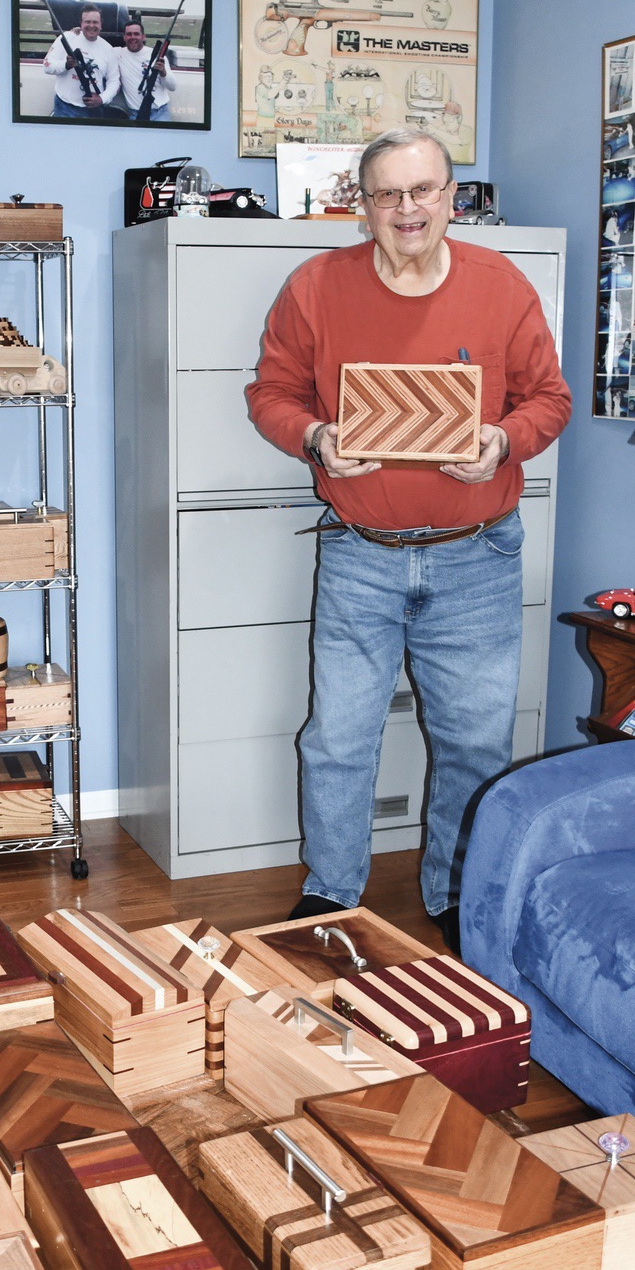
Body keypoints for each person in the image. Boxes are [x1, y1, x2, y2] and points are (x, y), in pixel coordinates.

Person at [245, 128, 571, 943]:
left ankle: (458, 896)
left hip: (479, 557)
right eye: (387, 193)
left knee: (474, 743)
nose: (407, 209)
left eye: (423, 190)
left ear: (451, 198)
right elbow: (271, 392)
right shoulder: (316, 286)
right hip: (361, 554)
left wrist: (505, 441)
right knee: (337, 740)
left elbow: (549, 399)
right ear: (362, 206)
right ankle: (330, 893)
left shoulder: (502, 286)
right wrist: (317, 438)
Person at [43, 3, 120, 118]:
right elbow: (47, 66)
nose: (91, 25)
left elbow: (114, 81)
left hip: (93, 111)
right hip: (64, 107)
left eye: (95, 22)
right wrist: (66, 65)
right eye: (87, 22)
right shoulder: (67, 38)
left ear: (101, 25)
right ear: (81, 23)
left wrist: (102, 99)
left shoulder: (108, 49)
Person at [114, 18, 176, 121]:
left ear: (143, 36)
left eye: (136, 34)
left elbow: (173, 87)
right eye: (129, 34)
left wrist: (163, 73)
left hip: (160, 113)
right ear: (124, 37)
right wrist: (77, 33)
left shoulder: (158, 56)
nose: (132, 37)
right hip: (135, 114)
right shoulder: (117, 53)